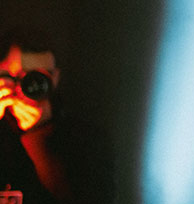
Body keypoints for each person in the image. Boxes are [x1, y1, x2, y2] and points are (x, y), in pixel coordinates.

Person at [0, 27, 115, 203]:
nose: (26, 86)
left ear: (55, 78)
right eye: (14, 76)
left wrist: (38, 135)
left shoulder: (86, 140)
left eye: (37, 77)